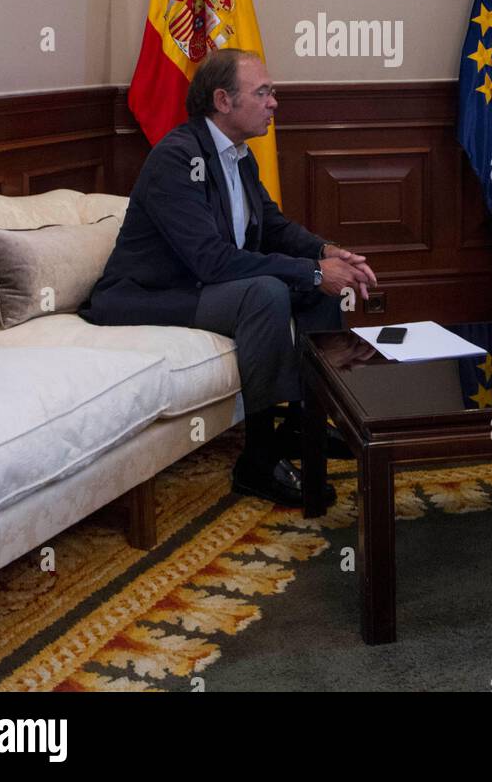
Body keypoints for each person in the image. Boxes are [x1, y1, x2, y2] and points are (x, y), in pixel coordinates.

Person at [82, 49, 377, 506]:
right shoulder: (177, 159)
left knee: (315, 293)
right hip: (147, 295)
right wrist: (314, 272)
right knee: (267, 292)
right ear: (223, 100)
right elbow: (212, 262)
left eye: (272, 92)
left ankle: (302, 425)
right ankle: (257, 463)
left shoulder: (240, 155)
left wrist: (326, 252)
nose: (274, 101)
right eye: (262, 92)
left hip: (201, 287)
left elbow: (273, 227)